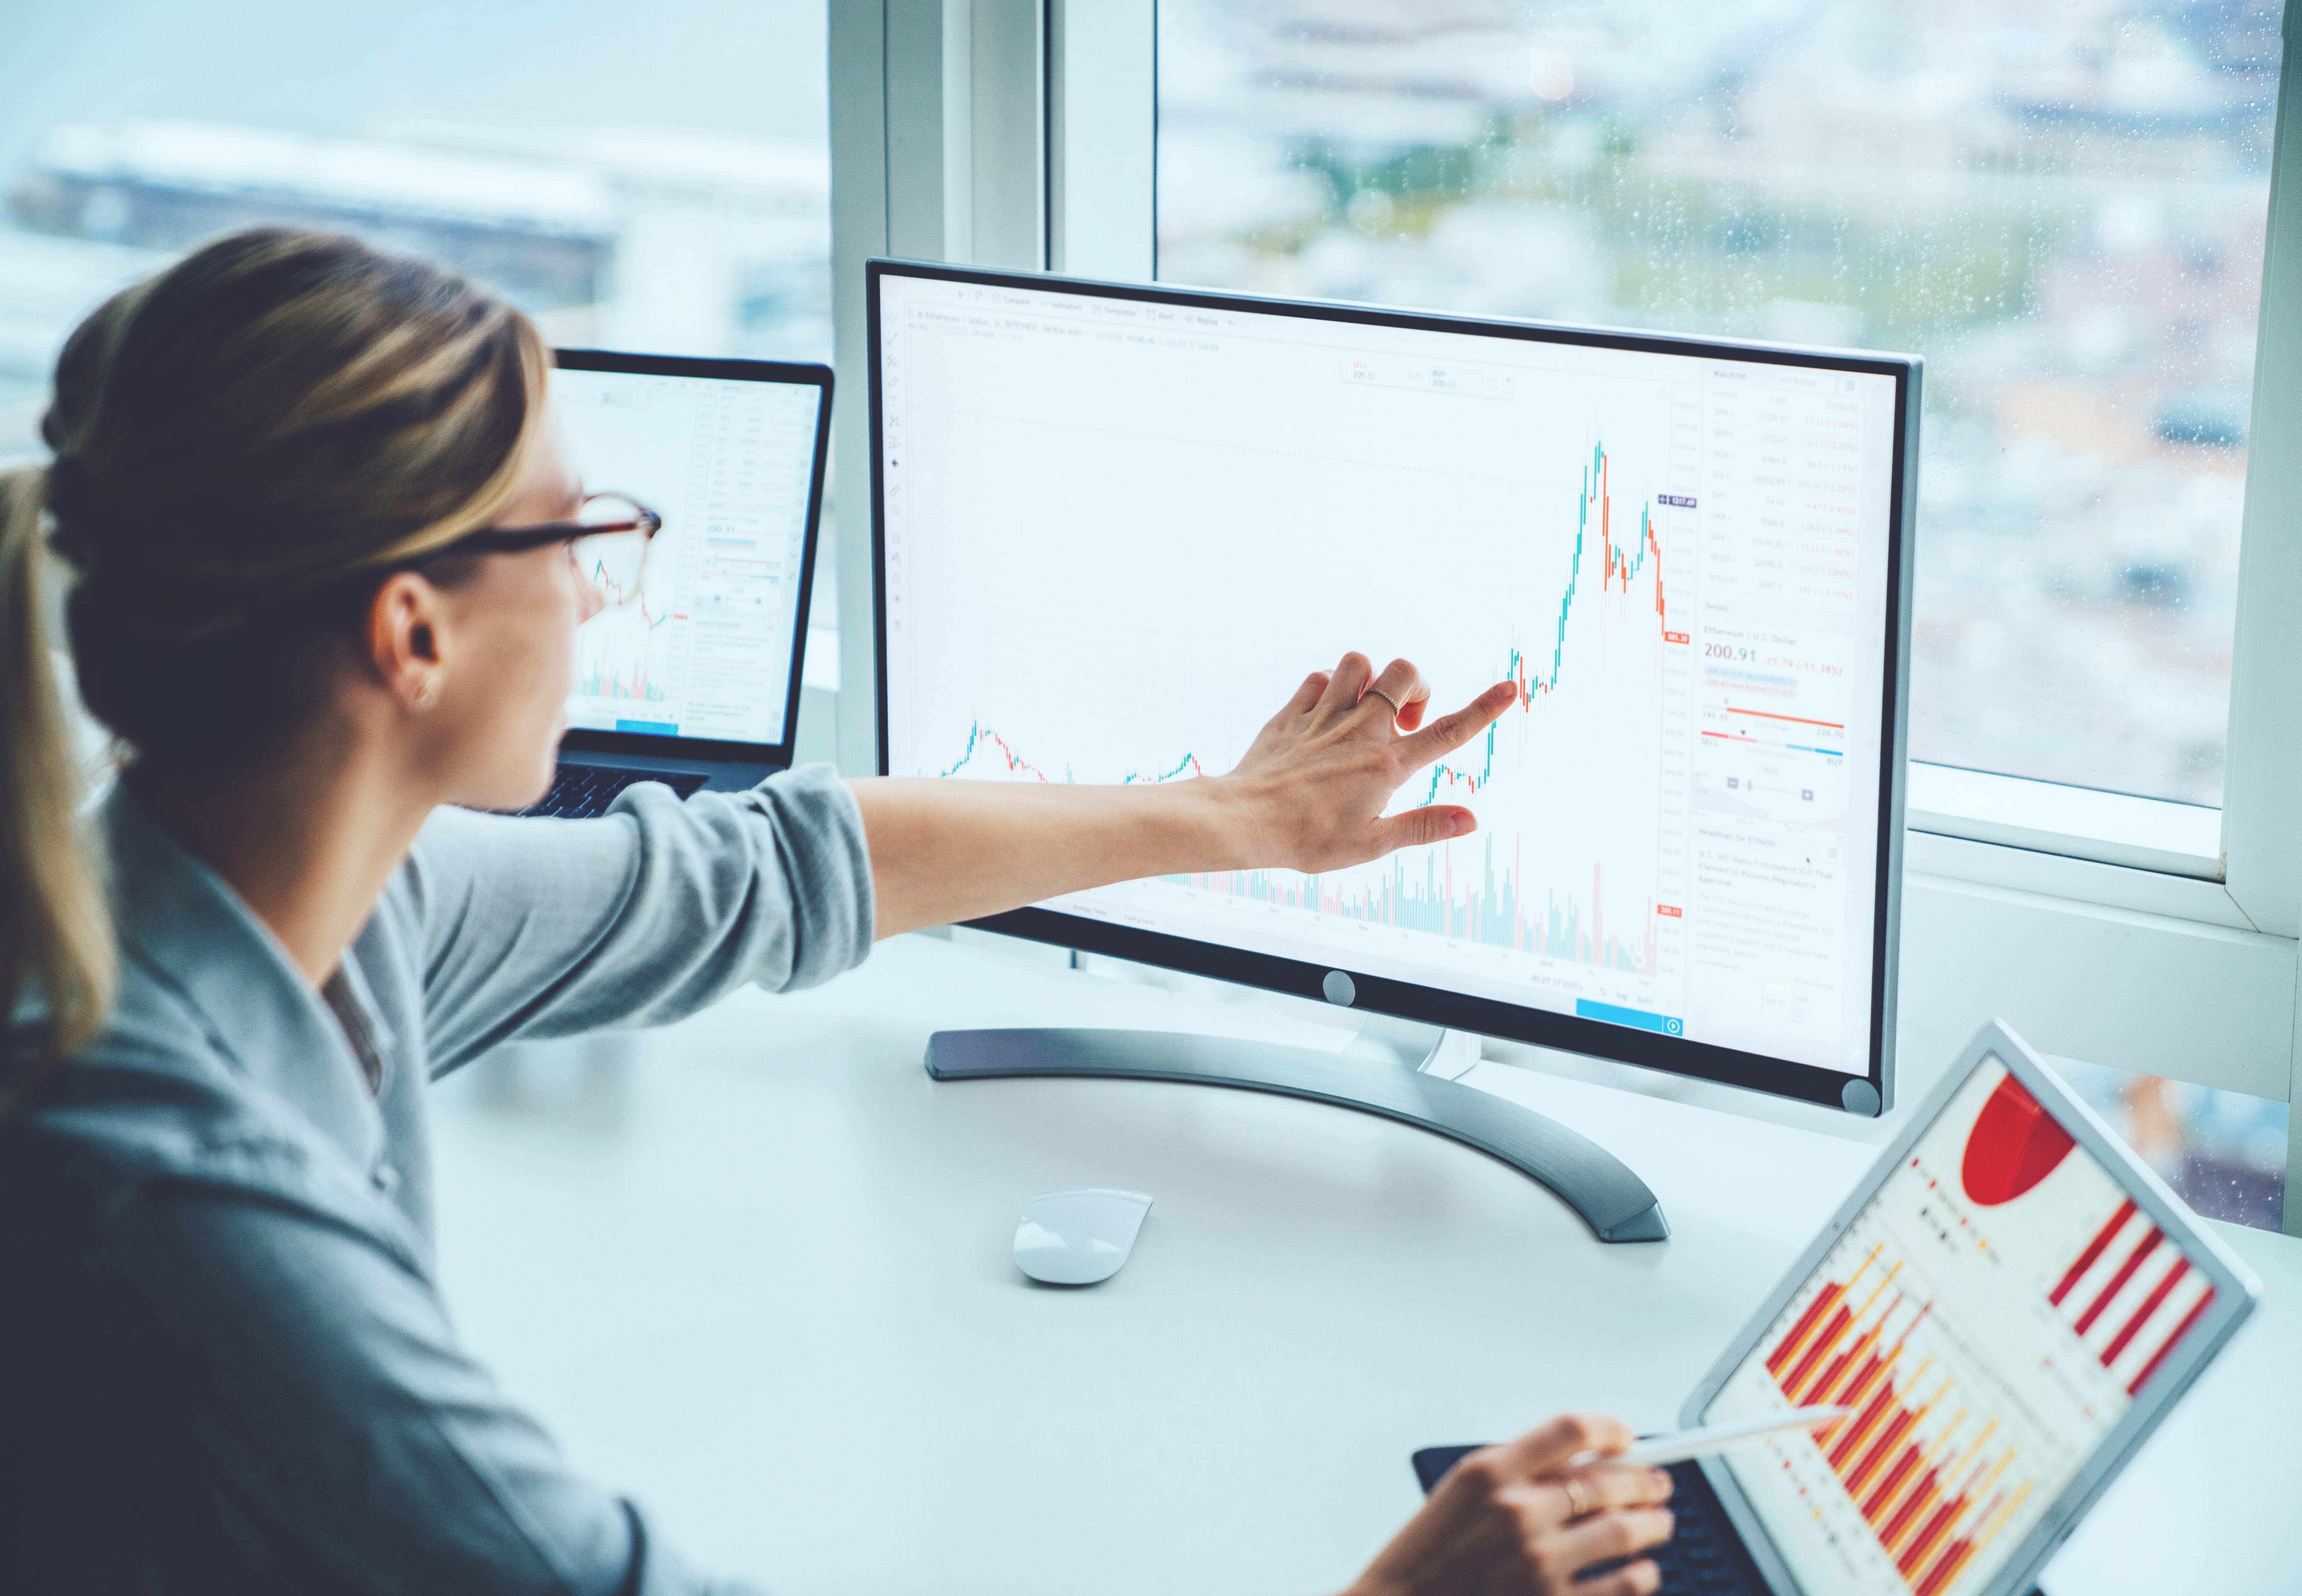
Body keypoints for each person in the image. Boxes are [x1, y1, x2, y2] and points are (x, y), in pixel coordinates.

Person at [0, 229, 1677, 1595]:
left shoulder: (272, 898)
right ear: (411, 637)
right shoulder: (181, 1212)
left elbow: (763, 873)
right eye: (576, 536)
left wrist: (1240, 819)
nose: (600, 590)